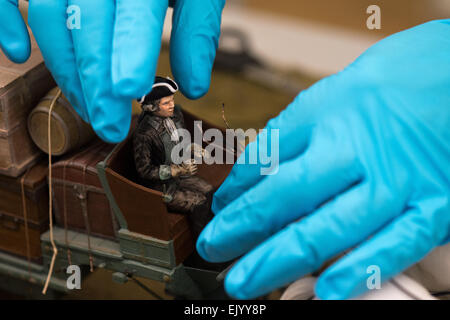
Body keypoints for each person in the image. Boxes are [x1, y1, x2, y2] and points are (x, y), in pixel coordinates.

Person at [1, 1, 448, 300]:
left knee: (208, 187)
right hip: (160, 183)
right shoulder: (143, 133)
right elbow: (144, 166)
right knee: (195, 195)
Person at [133, 76, 214, 240]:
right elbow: (145, 171)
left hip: (181, 176)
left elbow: (179, 141)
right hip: (161, 188)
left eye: (172, 100)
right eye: (166, 103)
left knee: (209, 191)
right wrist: (176, 170)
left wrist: (191, 147)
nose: (171, 105)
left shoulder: (175, 116)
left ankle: (217, 235)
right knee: (198, 202)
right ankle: (202, 252)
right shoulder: (144, 134)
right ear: (152, 107)